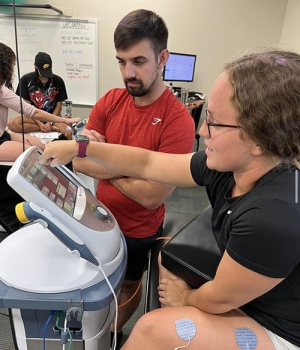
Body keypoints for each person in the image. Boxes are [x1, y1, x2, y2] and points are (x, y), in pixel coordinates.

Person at [40, 48, 300, 350]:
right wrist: (80, 149)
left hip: (280, 329)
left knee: (152, 329)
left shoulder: (272, 216)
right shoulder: (228, 167)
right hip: (252, 292)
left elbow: (221, 298)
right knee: (168, 259)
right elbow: (149, 163)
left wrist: (185, 298)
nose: (202, 130)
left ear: (259, 139)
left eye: (214, 123)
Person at [71, 9, 195, 345]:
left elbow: (151, 195)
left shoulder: (178, 121)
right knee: (95, 283)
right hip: (97, 218)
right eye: (121, 62)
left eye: (138, 61)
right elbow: (79, 161)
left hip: (139, 230)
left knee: (127, 286)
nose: (129, 73)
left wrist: (106, 155)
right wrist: (137, 168)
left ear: (163, 58)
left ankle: (113, 333)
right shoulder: (111, 100)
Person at [0, 42, 80, 162]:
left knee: (47, 146)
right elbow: (31, 111)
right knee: (37, 154)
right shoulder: (11, 87)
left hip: (5, 135)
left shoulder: (58, 80)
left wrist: (56, 121)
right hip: (30, 120)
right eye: (13, 65)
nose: (13, 70)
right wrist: (64, 120)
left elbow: (55, 106)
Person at [7, 52, 73, 140]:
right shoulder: (26, 80)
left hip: (52, 117)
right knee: (13, 124)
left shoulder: (58, 81)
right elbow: (27, 107)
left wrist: (49, 122)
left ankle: (49, 127)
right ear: (36, 67)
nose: (46, 76)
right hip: (33, 118)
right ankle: (44, 128)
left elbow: (59, 106)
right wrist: (40, 124)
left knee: (68, 131)